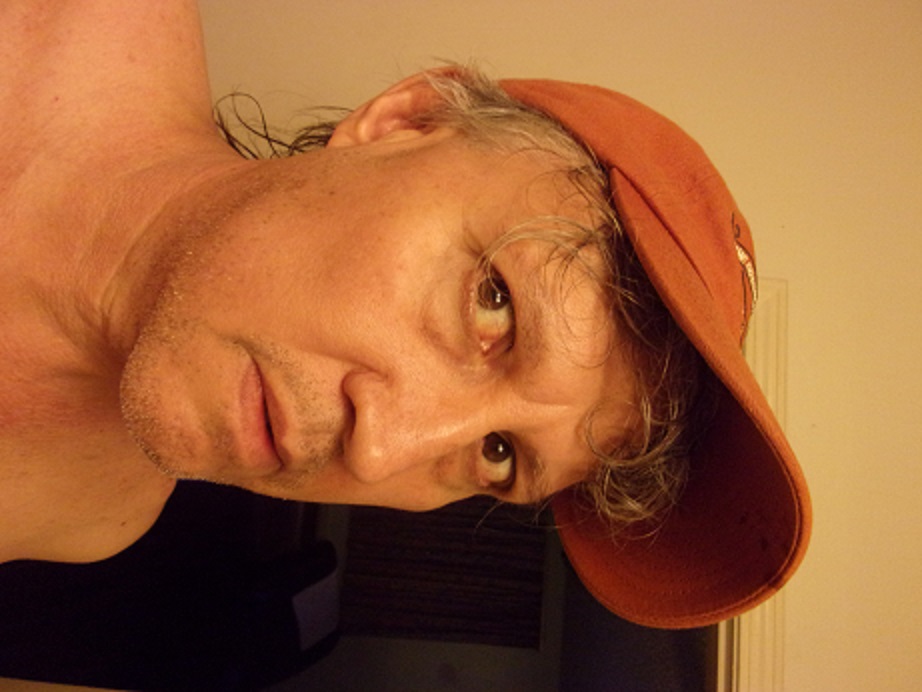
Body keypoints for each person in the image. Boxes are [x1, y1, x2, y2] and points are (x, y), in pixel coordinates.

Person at [1, 0, 809, 631]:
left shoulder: (96, 516)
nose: (381, 450)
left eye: (498, 455)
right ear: (403, 122)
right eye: (494, 304)